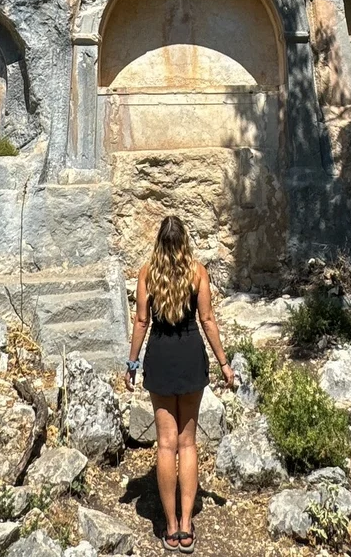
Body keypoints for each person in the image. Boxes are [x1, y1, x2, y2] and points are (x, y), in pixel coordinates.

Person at [125, 216, 236, 551]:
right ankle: (187, 526)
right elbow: (207, 320)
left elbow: (142, 321)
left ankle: (170, 527)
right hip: (190, 358)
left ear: (159, 241)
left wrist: (132, 364)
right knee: (187, 444)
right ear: (185, 241)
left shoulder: (148, 273)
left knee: (165, 444)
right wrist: (224, 363)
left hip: (160, 358)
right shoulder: (197, 272)